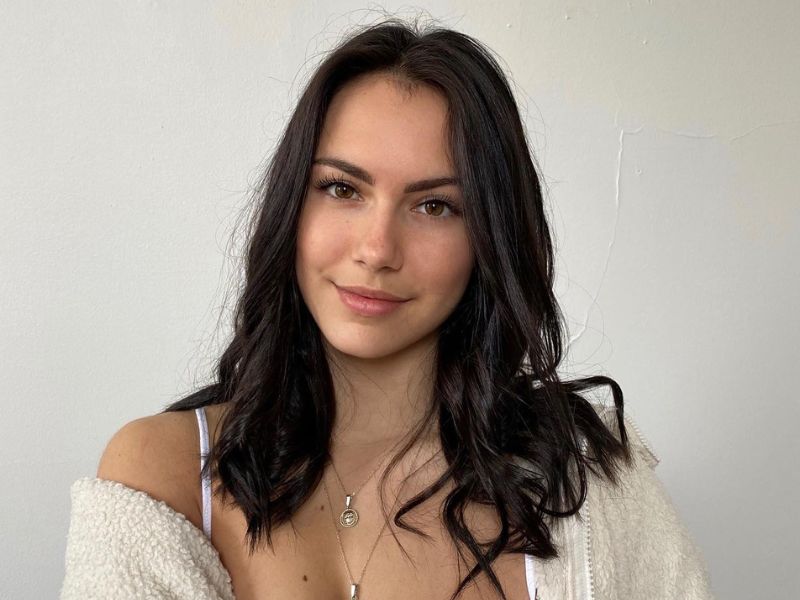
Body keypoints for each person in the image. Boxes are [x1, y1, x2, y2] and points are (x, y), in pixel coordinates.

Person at [61, 17, 715, 600]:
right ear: (292, 206)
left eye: (434, 205)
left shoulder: (590, 485)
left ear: (488, 237)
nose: (377, 249)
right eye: (342, 188)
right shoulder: (161, 477)